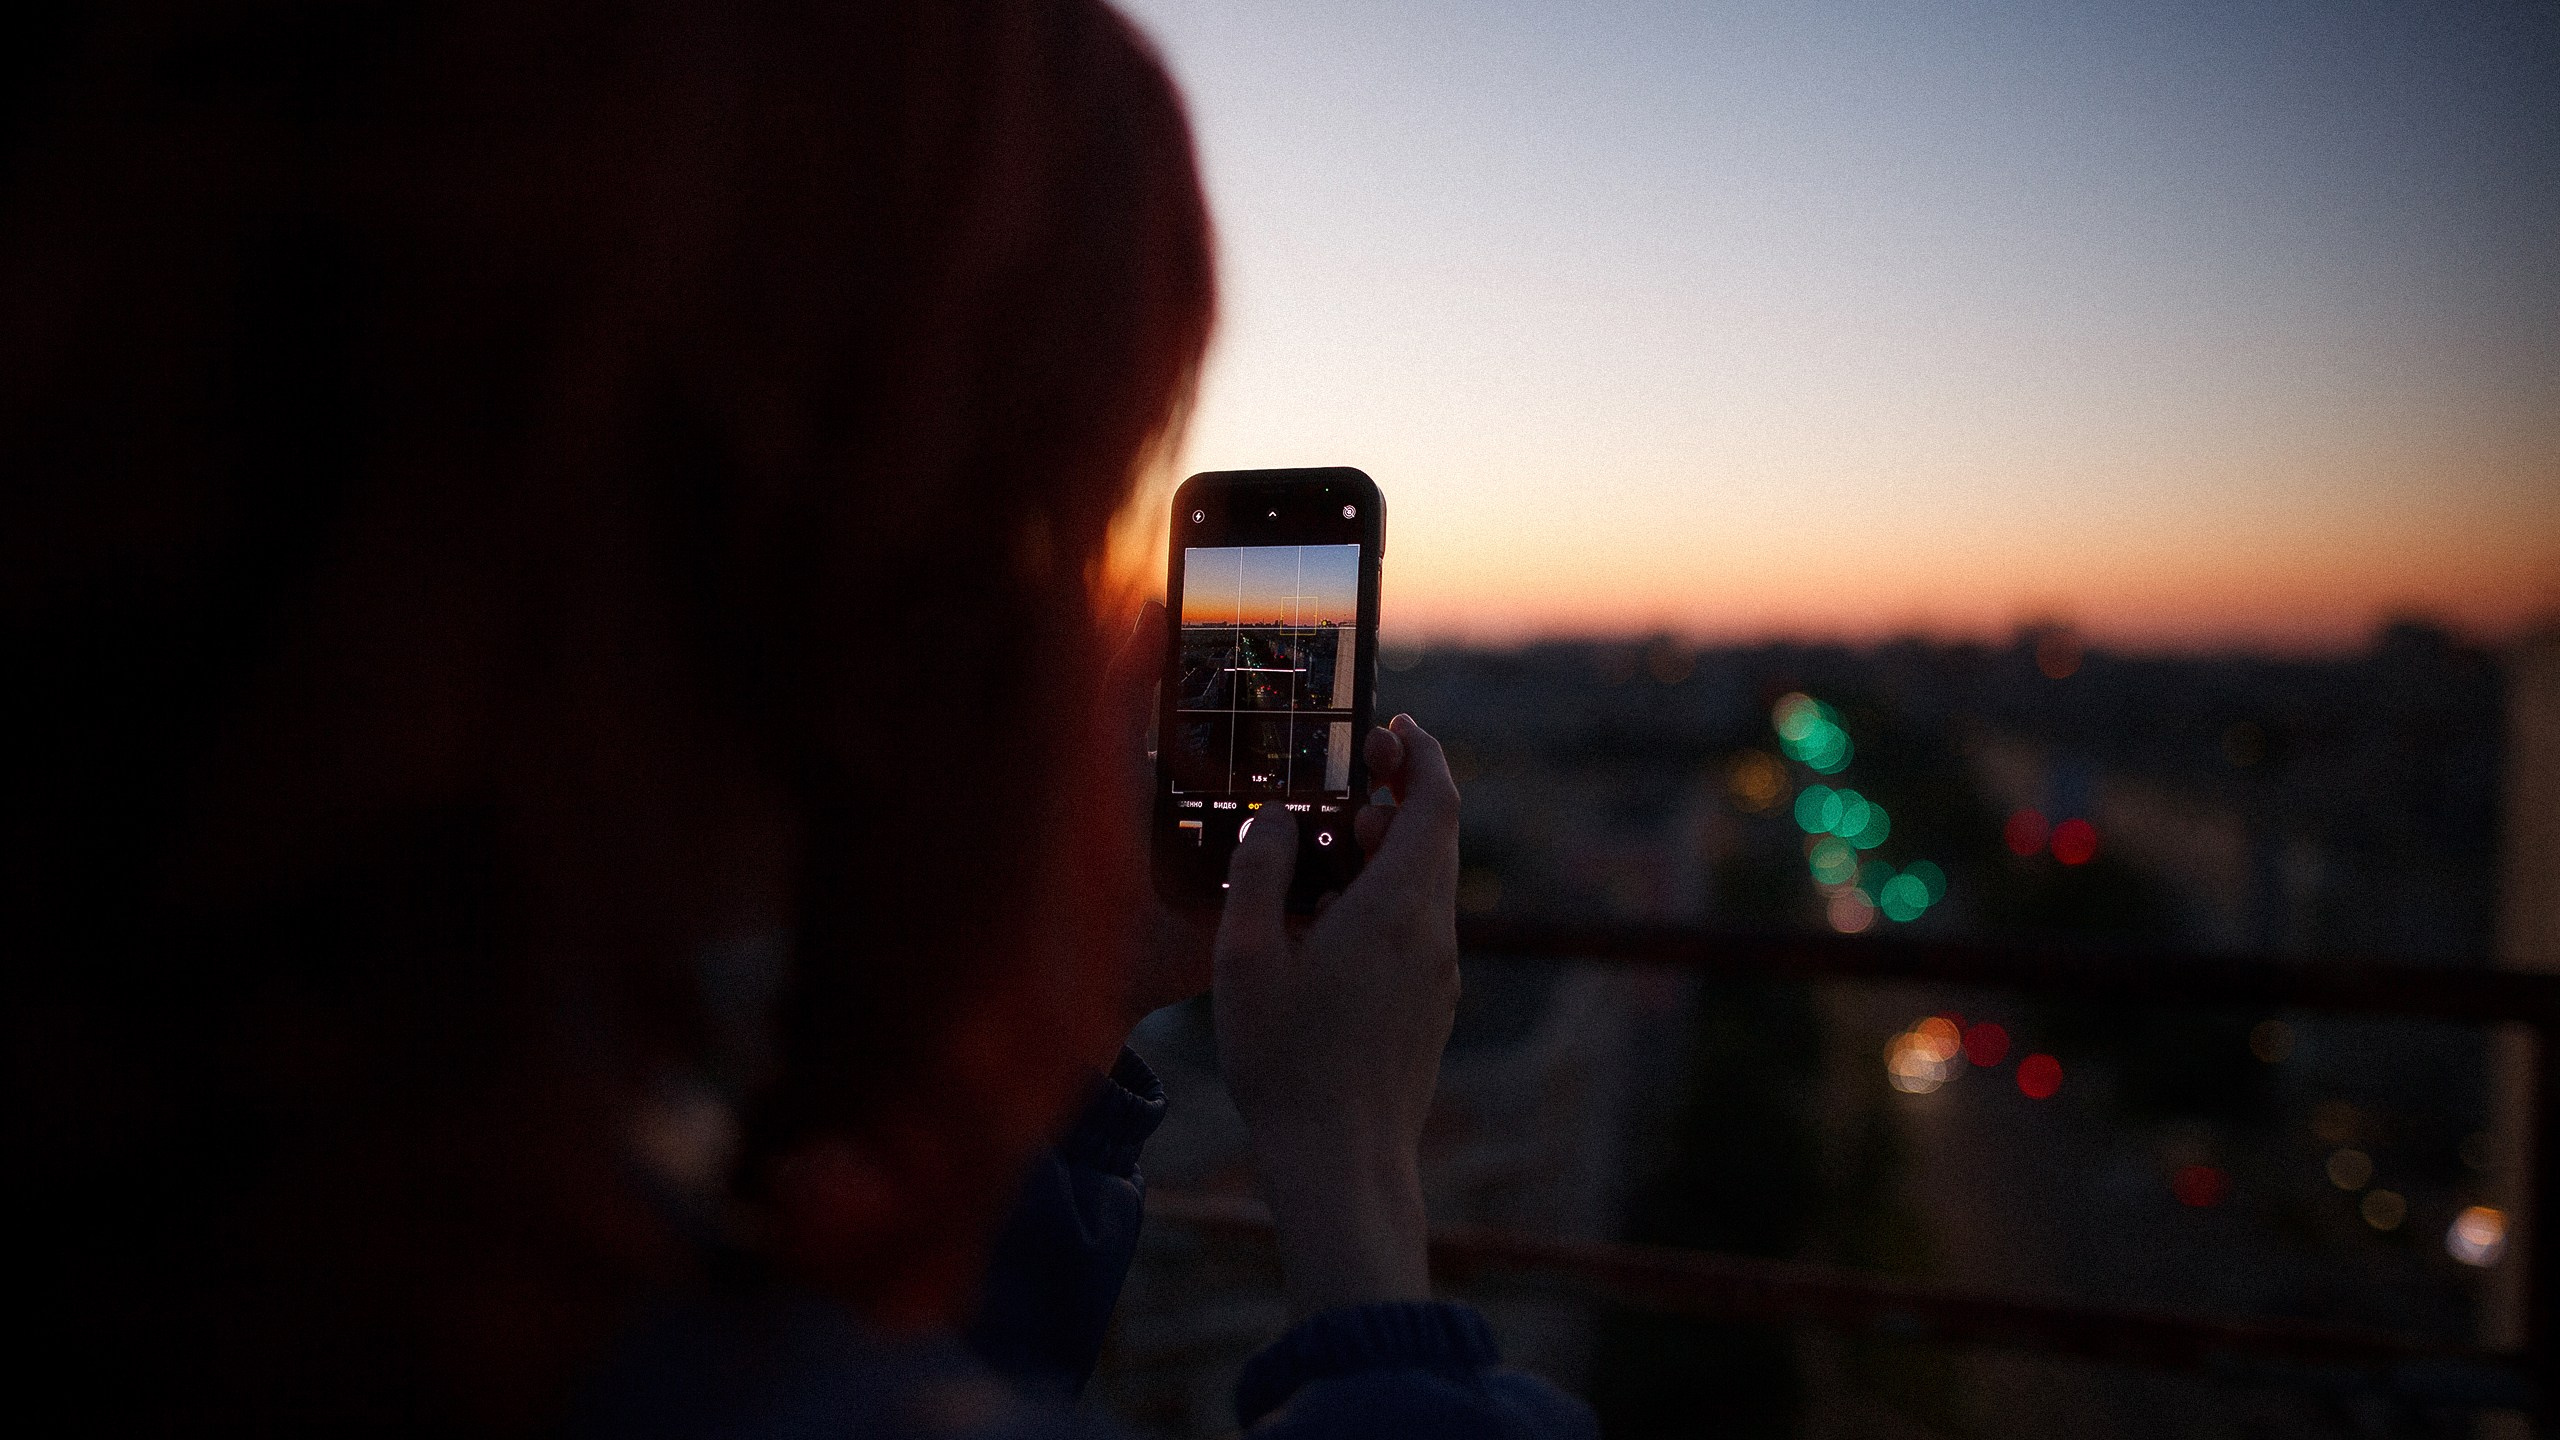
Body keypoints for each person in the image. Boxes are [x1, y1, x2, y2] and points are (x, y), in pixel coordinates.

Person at [3, 2, 1596, 1436]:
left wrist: (1082, 1006)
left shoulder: (233, 1138)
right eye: (1015, 507)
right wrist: (1354, 1188)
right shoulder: (507, 1290)